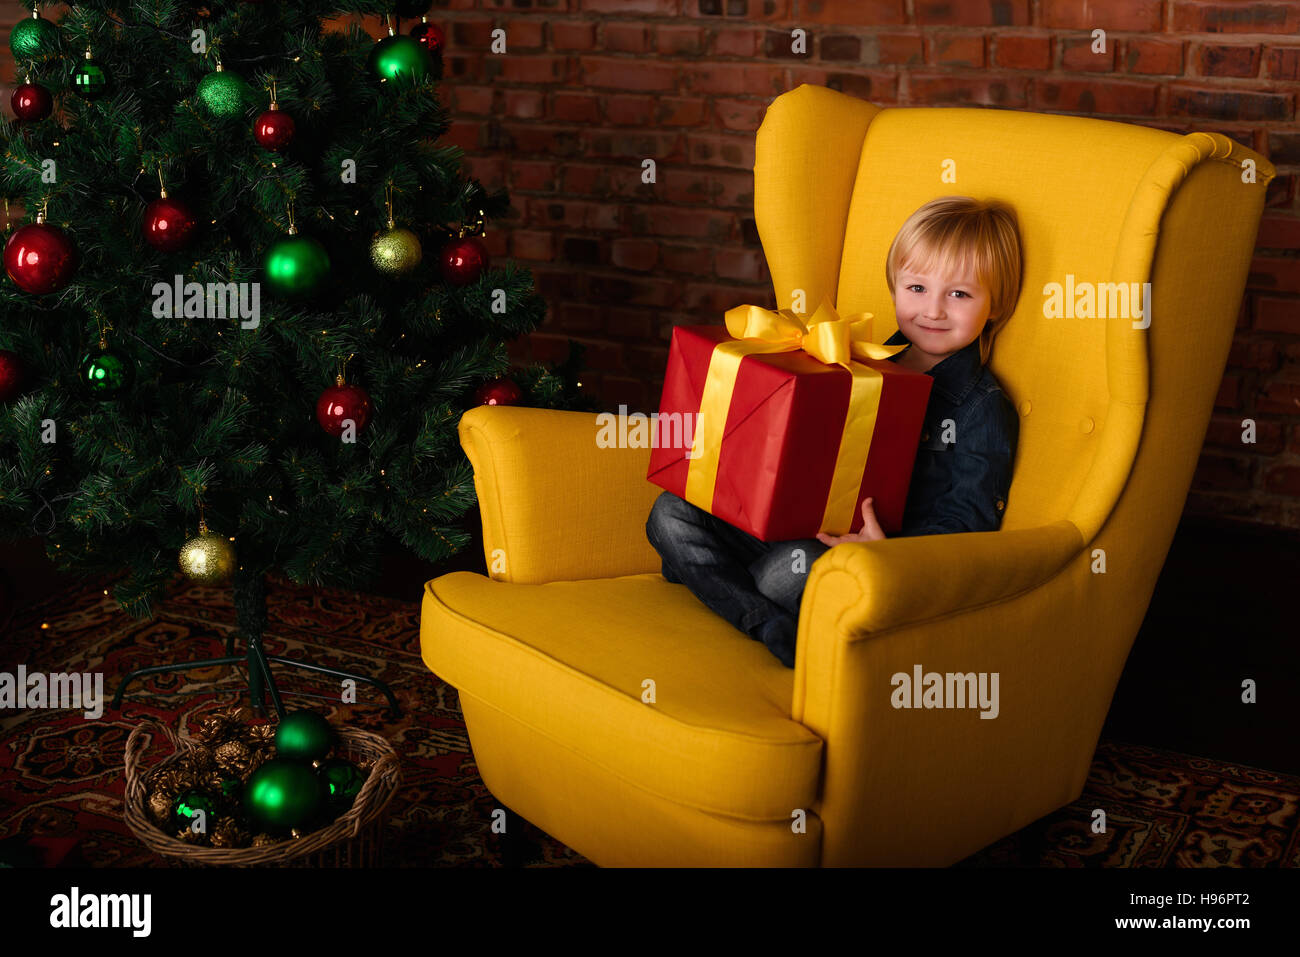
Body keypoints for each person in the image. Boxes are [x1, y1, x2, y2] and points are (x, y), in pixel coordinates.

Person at [644, 195, 1022, 668]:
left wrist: (887, 550)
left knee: (781, 575)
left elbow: (969, 522)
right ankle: (757, 608)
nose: (934, 310)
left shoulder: (982, 407)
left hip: (853, 553)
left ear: (995, 304)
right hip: (792, 526)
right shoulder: (853, 361)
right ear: (894, 285)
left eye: (960, 294)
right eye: (917, 287)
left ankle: (733, 595)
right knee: (668, 512)